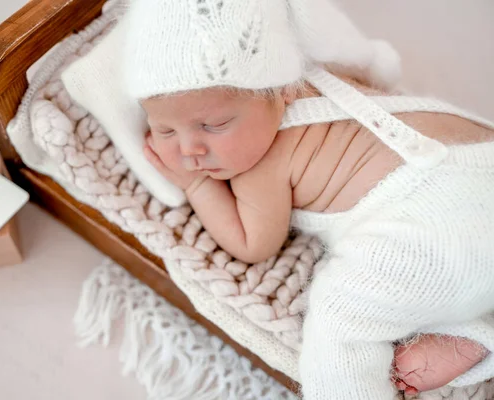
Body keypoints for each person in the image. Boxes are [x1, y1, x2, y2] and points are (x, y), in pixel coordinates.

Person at [121, 0, 494, 398]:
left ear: (281, 93)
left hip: (428, 221)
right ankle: (471, 331)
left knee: (339, 321)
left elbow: (254, 245)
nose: (190, 150)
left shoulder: (259, 165)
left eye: (213, 125)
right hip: (480, 159)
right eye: (164, 131)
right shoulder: (326, 78)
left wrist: (197, 187)